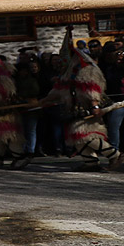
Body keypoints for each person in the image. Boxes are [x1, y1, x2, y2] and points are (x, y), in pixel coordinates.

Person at [43, 37, 122, 171]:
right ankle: (90, 162)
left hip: (86, 109)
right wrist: (45, 101)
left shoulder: (87, 70)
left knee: (86, 135)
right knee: (76, 137)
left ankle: (115, 155)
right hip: (73, 110)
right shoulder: (68, 74)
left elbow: (92, 90)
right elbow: (59, 90)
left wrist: (95, 106)